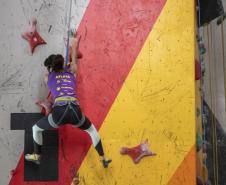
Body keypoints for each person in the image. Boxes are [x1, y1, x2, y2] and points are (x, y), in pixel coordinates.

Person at [25, 37, 112, 168]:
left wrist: (58, 67)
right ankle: (103, 158)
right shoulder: (72, 73)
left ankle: (37, 155)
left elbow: (50, 74)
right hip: (75, 111)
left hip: (60, 112)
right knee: (92, 131)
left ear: (50, 68)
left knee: (36, 129)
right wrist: (73, 44)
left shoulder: (48, 76)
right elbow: (75, 59)